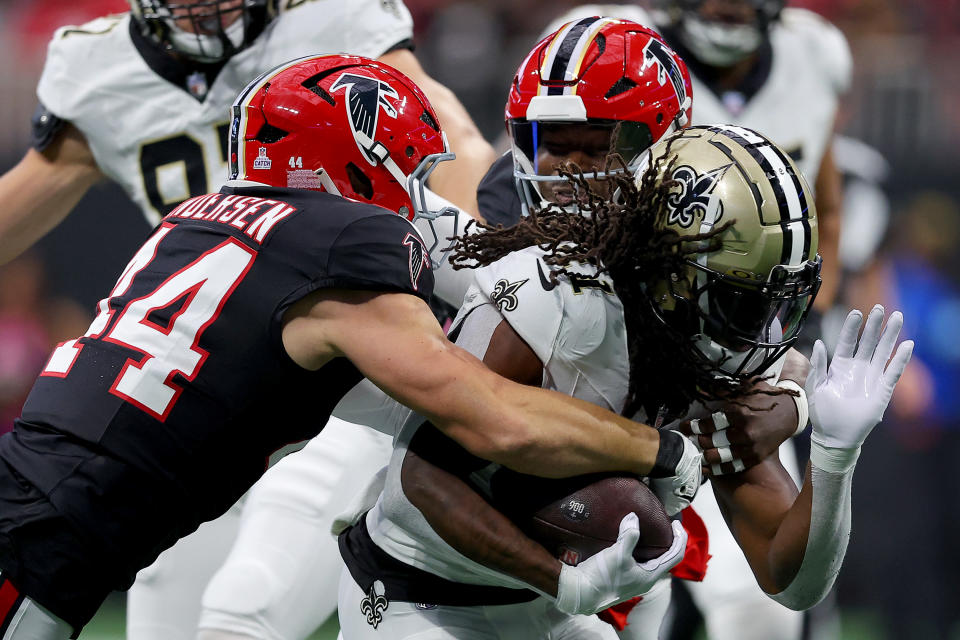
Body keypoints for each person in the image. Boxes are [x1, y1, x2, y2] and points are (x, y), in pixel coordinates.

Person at [0, 54, 701, 640]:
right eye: (403, 168)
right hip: (45, 533)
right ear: (353, 161)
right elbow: (493, 415)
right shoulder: (342, 242)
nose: (412, 196)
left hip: (38, 498)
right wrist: (658, 449)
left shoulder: (198, 219)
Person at [0, 1, 496, 638]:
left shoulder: (334, 21)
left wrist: (488, 278)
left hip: (342, 355)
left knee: (248, 606)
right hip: (201, 386)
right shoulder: (99, 66)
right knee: (165, 615)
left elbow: (451, 145)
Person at [336, 125, 912, 640]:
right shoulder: (557, 299)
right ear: (671, 271)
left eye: (769, 301)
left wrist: (835, 459)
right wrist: (562, 581)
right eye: (741, 298)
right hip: (423, 593)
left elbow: (789, 581)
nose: (757, 331)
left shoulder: (716, 345)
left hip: (555, 610)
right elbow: (419, 483)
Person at [504, 4, 851, 638]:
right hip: (460, 577)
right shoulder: (515, 270)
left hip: (607, 586)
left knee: (754, 618)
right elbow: (445, 453)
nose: (574, 172)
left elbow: (787, 575)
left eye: (601, 146)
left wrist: (823, 435)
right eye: (555, 144)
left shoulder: (689, 294)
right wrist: (665, 449)